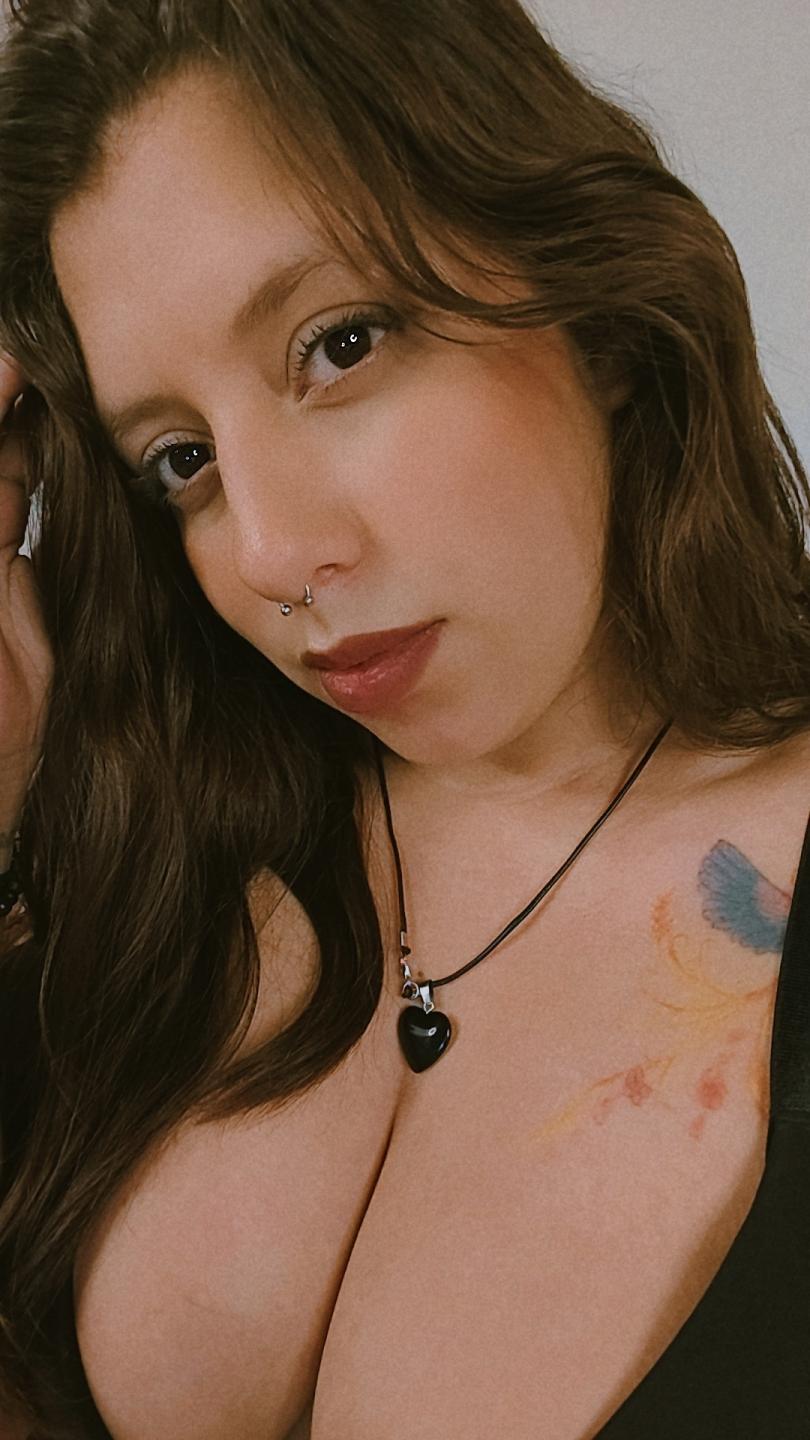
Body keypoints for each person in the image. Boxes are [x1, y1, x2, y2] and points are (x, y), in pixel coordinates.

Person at [0, 1, 808, 1436]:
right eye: (179, 458)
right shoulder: (182, 831)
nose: (267, 552)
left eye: (339, 344)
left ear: (599, 309)